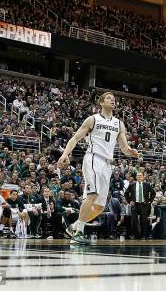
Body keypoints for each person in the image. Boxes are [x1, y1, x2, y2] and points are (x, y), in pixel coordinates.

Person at [58, 92, 139, 245]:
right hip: (93, 158)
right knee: (92, 195)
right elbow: (75, 138)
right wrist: (65, 154)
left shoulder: (118, 123)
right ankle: (79, 234)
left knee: (100, 207)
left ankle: (74, 226)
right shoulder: (93, 119)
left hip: (107, 164)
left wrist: (131, 152)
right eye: (108, 98)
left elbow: (123, 147)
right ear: (101, 102)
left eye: (113, 98)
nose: (112, 99)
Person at [124, 171, 155, 239]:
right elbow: (126, 193)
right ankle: (134, 235)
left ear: (143, 177)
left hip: (144, 205)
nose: (139, 177)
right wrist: (130, 201)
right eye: (138, 175)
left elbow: (153, 193)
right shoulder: (132, 184)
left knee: (143, 221)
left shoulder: (147, 185)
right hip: (135, 204)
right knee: (134, 220)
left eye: (140, 175)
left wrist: (149, 201)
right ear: (136, 177)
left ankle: (143, 235)